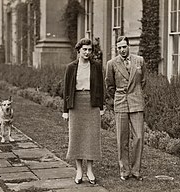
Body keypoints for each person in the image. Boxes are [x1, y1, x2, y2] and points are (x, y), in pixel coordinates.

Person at [62, 38, 104, 185]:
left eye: (90, 50)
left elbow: (101, 88)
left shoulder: (97, 66)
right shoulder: (71, 67)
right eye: (84, 49)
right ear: (79, 50)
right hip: (76, 103)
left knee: (91, 136)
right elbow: (66, 90)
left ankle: (90, 170)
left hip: (92, 103)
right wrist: (65, 110)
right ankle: (79, 170)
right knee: (77, 136)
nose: (87, 52)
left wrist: (101, 107)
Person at [105, 36, 146, 181]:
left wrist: (135, 93)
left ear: (129, 46)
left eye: (124, 47)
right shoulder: (111, 64)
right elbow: (109, 85)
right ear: (117, 49)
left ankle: (136, 170)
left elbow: (143, 81)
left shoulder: (139, 60)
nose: (122, 50)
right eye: (119, 48)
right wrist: (119, 96)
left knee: (139, 137)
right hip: (121, 102)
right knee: (122, 138)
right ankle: (124, 170)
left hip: (136, 102)